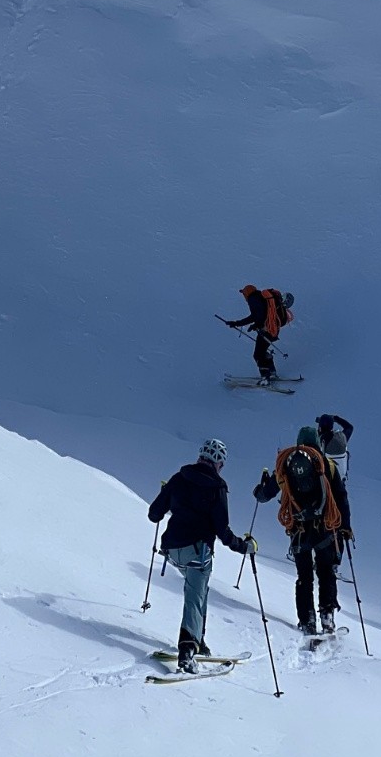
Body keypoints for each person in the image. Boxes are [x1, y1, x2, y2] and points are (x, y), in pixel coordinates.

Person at [148, 438, 256, 672]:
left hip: (171, 550)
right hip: (197, 552)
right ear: (219, 464)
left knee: (200, 588)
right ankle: (187, 650)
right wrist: (244, 546)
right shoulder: (217, 487)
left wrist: (167, 494)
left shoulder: (178, 478)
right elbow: (222, 531)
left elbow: (154, 514)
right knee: (195, 596)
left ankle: (199, 640)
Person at [254, 424, 351, 637]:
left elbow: (264, 495)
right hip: (325, 528)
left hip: (298, 530)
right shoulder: (328, 465)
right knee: (326, 571)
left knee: (303, 575)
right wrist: (345, 527)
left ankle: (307, 619)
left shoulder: (285, 465)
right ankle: (327, 615)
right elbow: (341, 498)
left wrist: (260, 489)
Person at [223, 286, 294, 382]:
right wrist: (238, 323)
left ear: (247, 293)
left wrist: (254, 325)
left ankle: (265, 377)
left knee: (258, 354)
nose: (244, 296)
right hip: (273, 330)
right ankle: (272, 372)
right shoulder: (261, 298)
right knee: (262, 351)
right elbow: (258, 315)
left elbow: (258, 316)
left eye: (244, 293)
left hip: (266, 330)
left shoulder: (253, 299)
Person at [315, 413, 353, 480]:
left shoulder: (321, 441)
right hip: (341, 480)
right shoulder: (341, 438)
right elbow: (349, 427)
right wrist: (336, 419)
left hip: (327, 482)